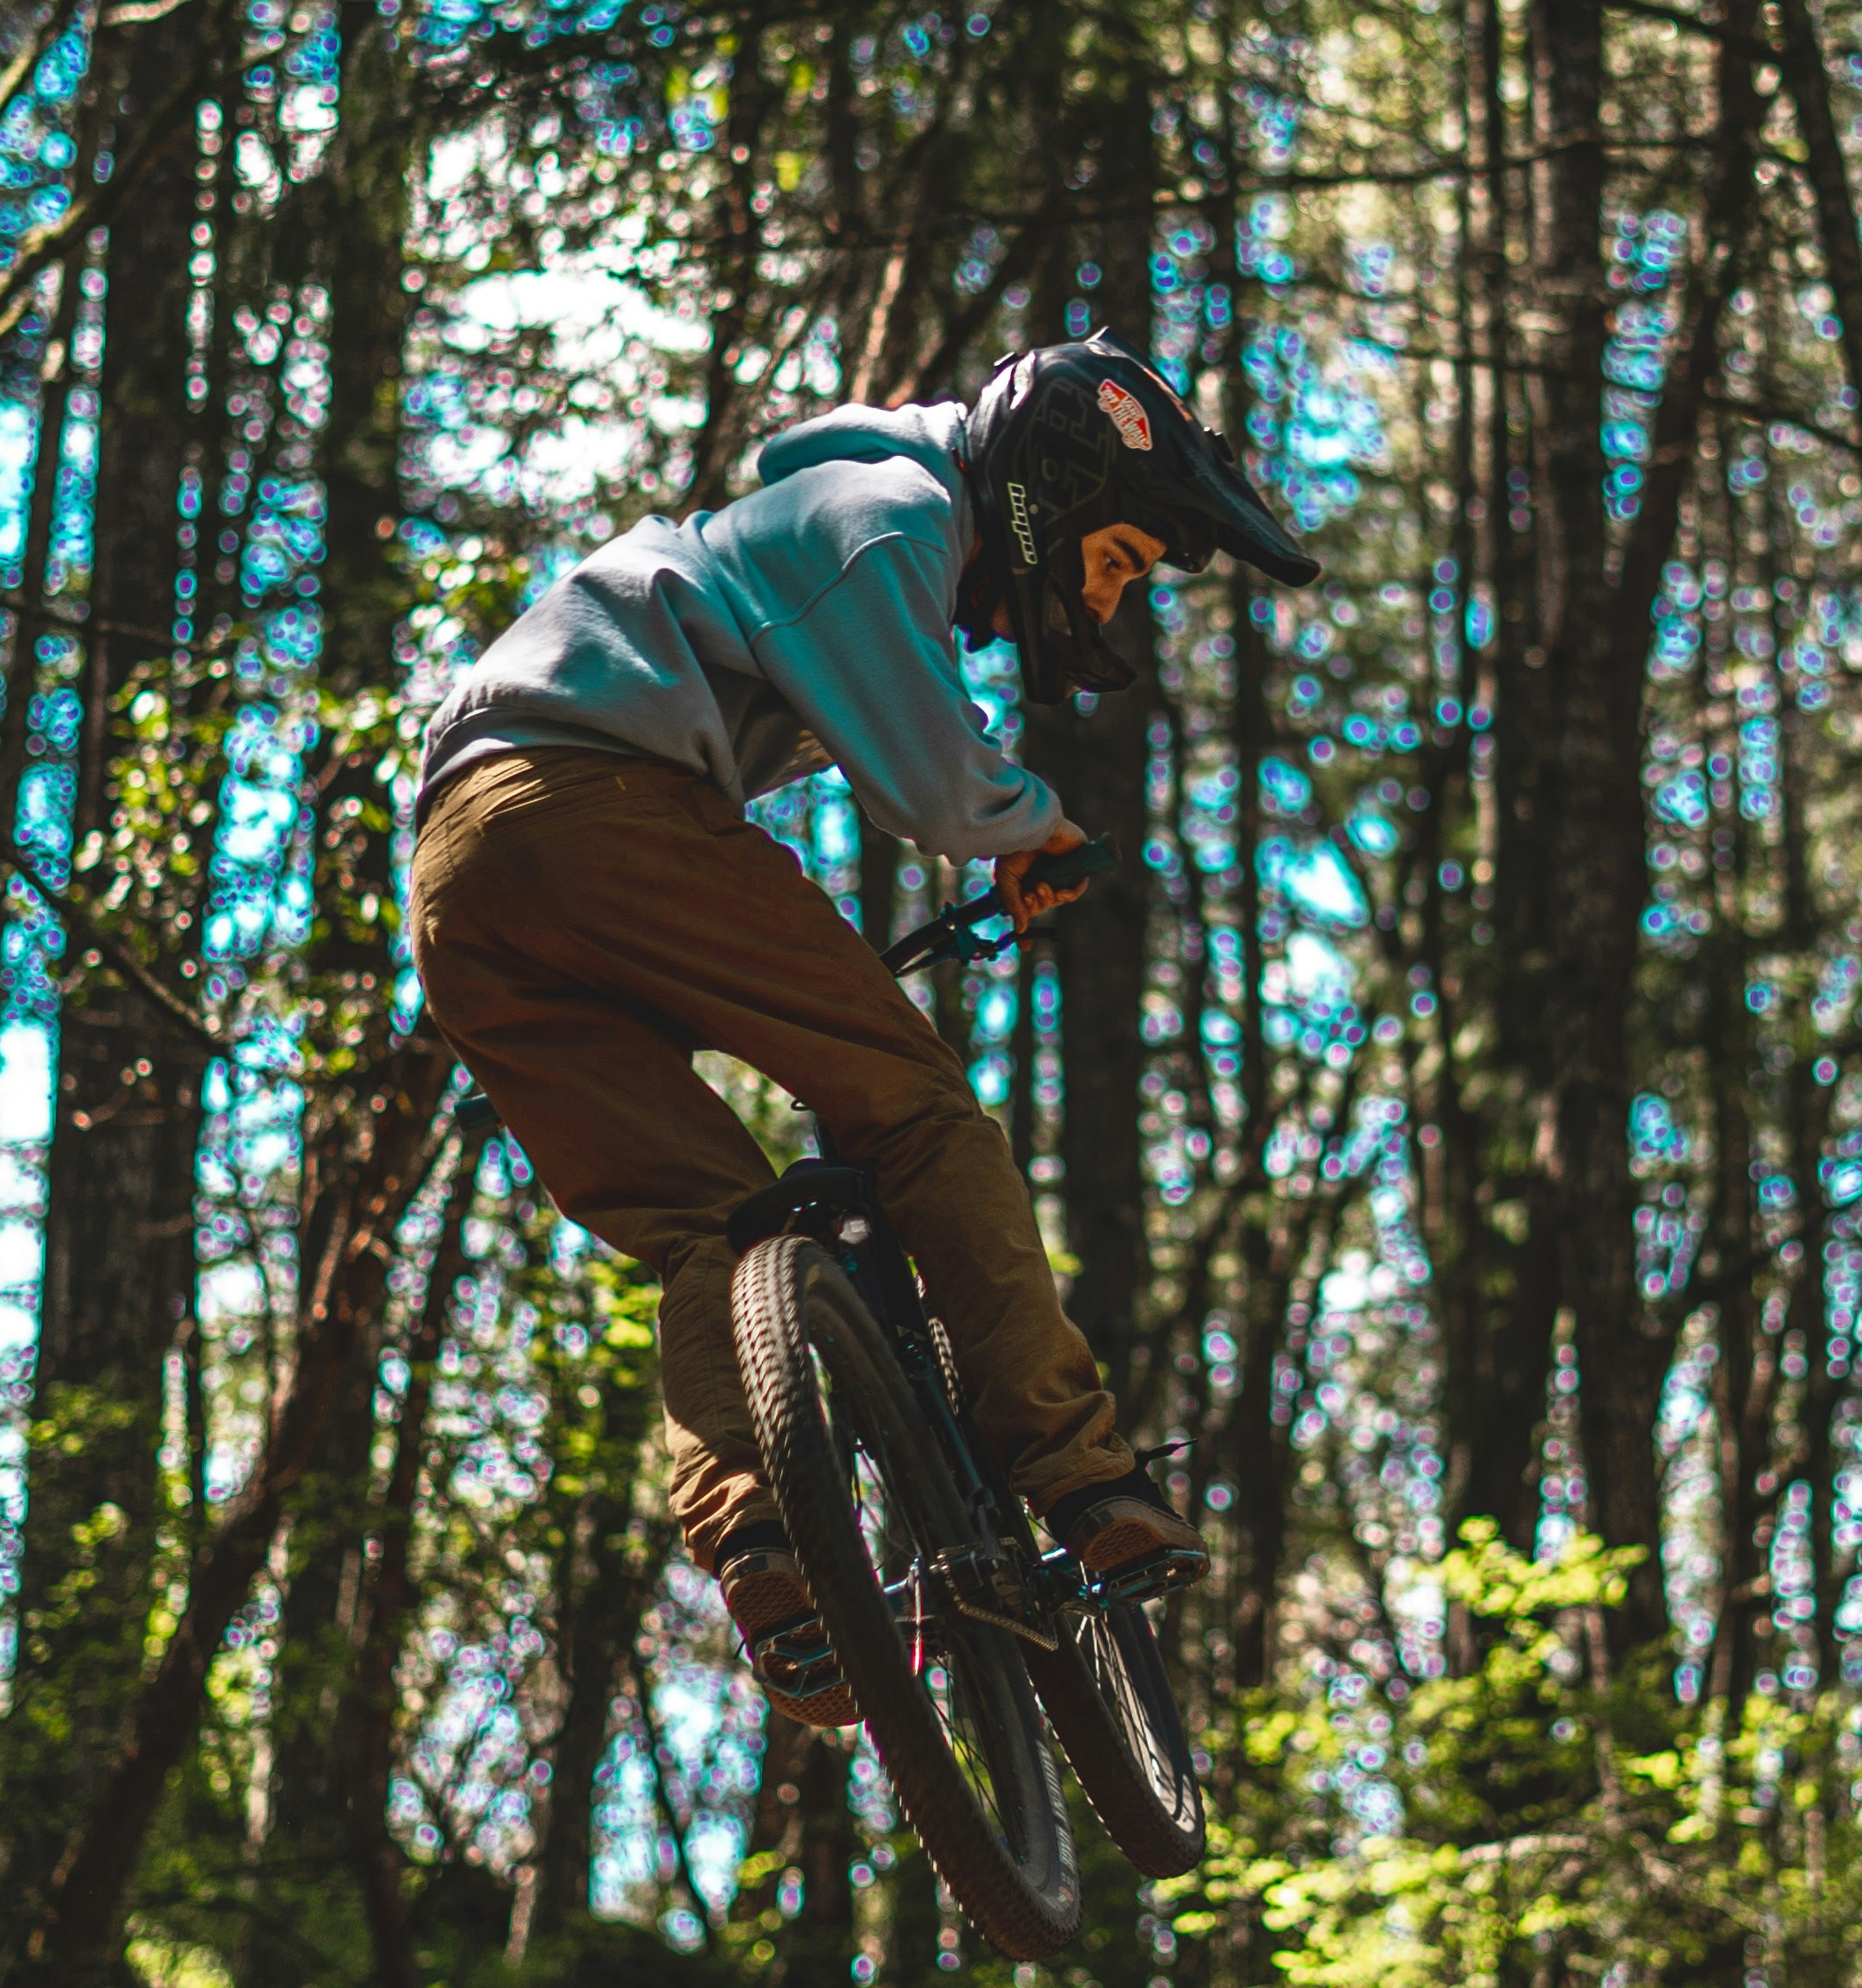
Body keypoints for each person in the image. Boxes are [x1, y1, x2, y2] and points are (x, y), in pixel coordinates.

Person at [407, 337, 1321, 1726]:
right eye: (1119, 557)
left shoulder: (818, 523)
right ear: (1052, 490)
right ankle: (1088, 1484)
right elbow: (938, 786)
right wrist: (1036, 829)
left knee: (711, 1225)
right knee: (916, 1109)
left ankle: (773, 1561)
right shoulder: (883, 514)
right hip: (590, 801)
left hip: (464, 876)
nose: (1106, 595)